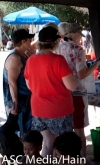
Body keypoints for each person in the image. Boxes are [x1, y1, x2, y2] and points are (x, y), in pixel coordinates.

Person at [24, 25, 77, 157]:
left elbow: (29, 85)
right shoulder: (58, 60)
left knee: (47, 144)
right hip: (60, 110)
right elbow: (72, 86)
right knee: (64, 148)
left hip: (39, 109)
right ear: (56, 41)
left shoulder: (31, 60)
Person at [55, 23, 100, 157]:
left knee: (63, 128)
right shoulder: (77, 49)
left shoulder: (57, 47)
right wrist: (95, 65)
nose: (81, 38)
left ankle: (63, 157)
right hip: (76, 92)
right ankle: (81, 158)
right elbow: (81, 74)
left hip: (61, 91)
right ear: (75, 34)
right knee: (79, 128)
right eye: (80, 34)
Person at [3, 29, 34, 139]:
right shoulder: (14, 58)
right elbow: (12, 83)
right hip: (20, 103)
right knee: (22, 132)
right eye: (29, 40)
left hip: (25, 100)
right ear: (23, 41)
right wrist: (15, 104)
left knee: (27, 131)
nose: (31, 41)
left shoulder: (22, 55)